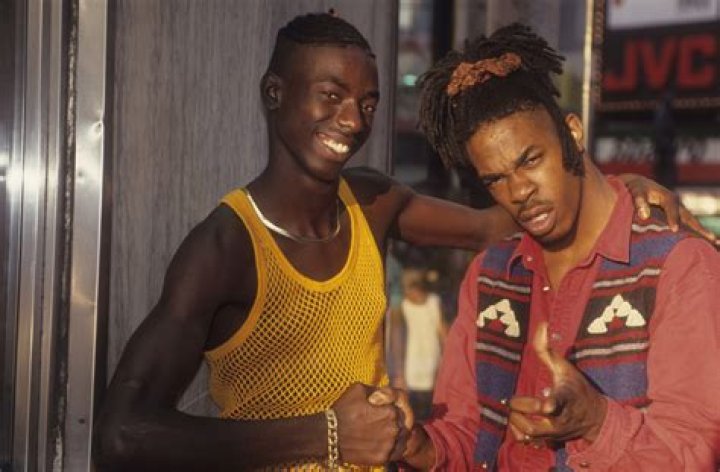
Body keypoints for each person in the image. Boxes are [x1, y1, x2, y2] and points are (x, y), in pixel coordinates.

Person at [93, 13, 714, 471]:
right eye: (331, 96)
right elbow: (121, 436)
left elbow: (501, 219)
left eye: (368, 104)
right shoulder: (224, 246)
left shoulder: (372, 202)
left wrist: (623, 187)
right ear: (274, 94)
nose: (352, 121)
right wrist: (334, 437)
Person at [394, 24, 720, 471]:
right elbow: (467, 433)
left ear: (573, 133)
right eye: (495, 179)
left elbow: (696, 452)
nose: (518, 191)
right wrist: (417, 445)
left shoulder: (678, 266)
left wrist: (597, 421)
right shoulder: (491, 275)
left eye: (530, 160)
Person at [390, 268, 447, 421]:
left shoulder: (434, 302)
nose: (408, 293)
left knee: (433, 413)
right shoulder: (402, 307)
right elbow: (396, 342)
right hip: (411, 369)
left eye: (410, 289)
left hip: (433, 365)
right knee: (412, 414)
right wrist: (399, 373)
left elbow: (443, 334)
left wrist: (445, 364)